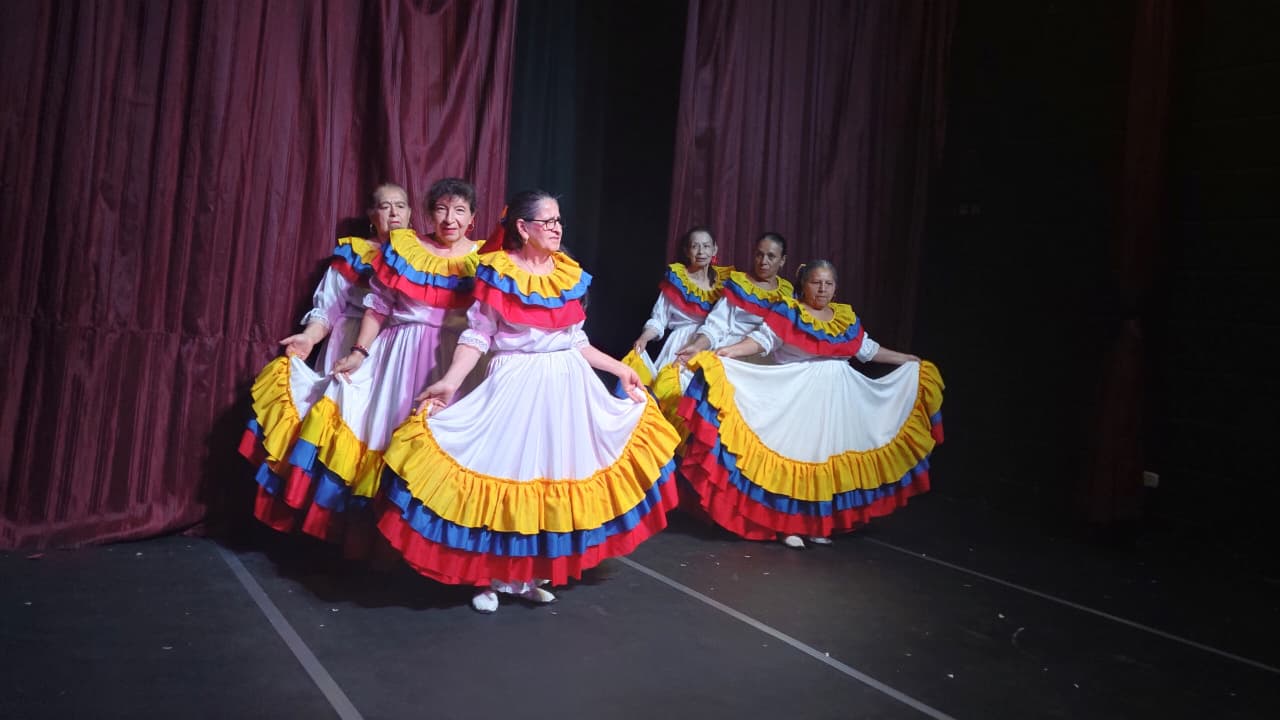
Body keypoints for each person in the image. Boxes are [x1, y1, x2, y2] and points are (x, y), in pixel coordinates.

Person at [376, 189, 681, 613]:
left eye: (559, 221)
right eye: (548, 221)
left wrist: (619, 368)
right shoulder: (498, 271)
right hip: (516, 384)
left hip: (566, 387)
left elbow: (576, 340)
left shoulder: (567, 273)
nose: (557, 228)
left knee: (548, 479)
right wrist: (449, 381)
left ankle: (526, 575)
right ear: (523, 227)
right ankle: (487, 576)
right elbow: (478, 335)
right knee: (503, 475)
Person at [677, 260, 945, 548]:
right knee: (797, 457)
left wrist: (905, 359)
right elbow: (762, 340)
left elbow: (867, 350)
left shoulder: (843, 319)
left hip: (836, 404)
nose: (822, 289)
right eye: (816, 282)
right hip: (798, 400)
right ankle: (787, 526)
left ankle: (818, 524)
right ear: (803, 284)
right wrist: (730, 351)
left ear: (836, 288)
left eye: (828, 284)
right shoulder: (790, 311)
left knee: (823, 461)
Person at [282, 178, 486, 550]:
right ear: (429, 214)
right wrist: (358, 352)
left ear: (472, 218)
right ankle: (377, 542)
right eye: (441, 209)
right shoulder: (406, 248)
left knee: (441, 449)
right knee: (386, 438)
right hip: (399, 358)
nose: (450, 219)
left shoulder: (486, 259)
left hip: (452, 362)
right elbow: (378, 306)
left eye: (459, 211)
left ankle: (432, 546)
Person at [240, 183, 411, 533]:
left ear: (410, 213)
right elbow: (328, 307)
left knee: (381, 436)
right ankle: (327, 525)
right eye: (385, 206)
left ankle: (371, 530)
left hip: (398, 353)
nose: (394, 213)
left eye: (401, 205)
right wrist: (309, 337)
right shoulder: (355, 254)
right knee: (340, 431)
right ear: (372, 215)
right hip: (350, 346)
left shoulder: (423, 258)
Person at [621, 226, 733, 389]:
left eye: (706, 246)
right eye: (695, 246)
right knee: (673, 391)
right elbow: (659, 319)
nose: (701, 252)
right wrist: (644, 338)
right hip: (682, 345)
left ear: (714, 249)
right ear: (687, 251)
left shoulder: (725, 283)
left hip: (714, 344)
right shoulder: (677, 281)